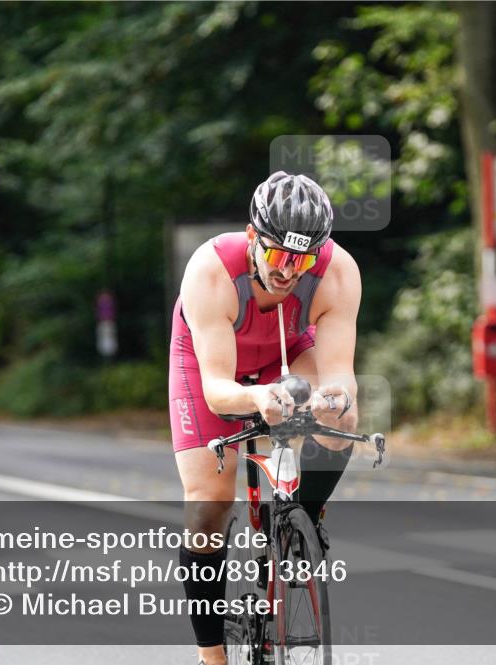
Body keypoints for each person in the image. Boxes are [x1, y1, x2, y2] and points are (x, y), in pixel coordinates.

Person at [169, 171, 362, 665]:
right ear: (253, 237)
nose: (288, 272)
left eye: (302, 259)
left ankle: (307, 517)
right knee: (209, 504)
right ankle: (212, 656)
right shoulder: (211, 270)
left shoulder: (338, 272)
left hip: (290, 349)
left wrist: (331, 398)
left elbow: (340, 373)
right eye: (277, 255)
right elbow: (216, 391)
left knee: (343, 418)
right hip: (212, 361)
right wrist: (258, 400)